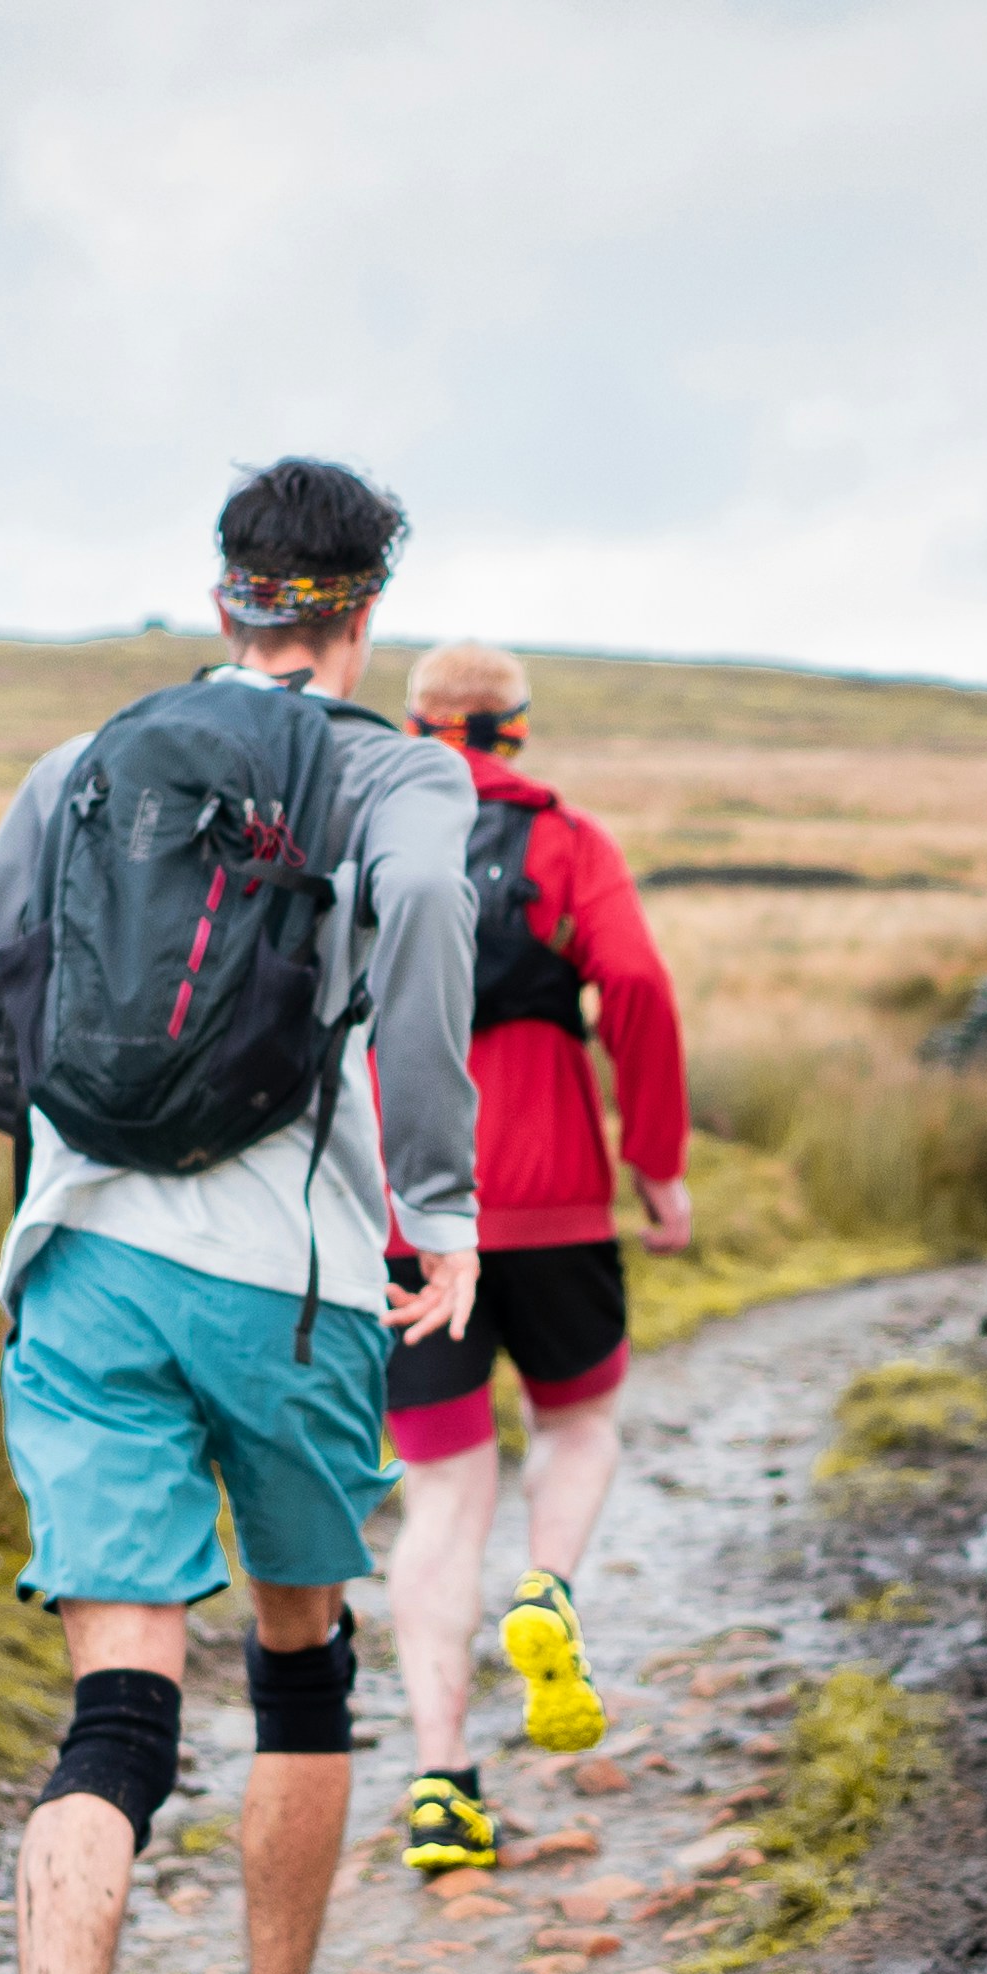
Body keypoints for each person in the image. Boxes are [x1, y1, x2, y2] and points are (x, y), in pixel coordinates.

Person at [0, 457, 485, 1974]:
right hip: (286, 1281)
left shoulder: (80, 763)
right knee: (296, 1642)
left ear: (224, 596)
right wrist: (443, 1200)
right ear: (361, 611)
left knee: (112, 1704)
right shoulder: (396, 777)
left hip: (76, 1270)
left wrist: (86, 1128)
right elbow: (412, 947)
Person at [380, 640, 690, 1873]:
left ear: (415, 726)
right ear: (513, 728)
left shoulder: (373, 846)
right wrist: (653, 1161)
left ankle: (440, 1785)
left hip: (409, 1213)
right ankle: (546, 1590)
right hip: (556, 1195)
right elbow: (639, 988)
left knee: (442, 1495)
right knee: (579, 1423)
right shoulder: (567, 843)